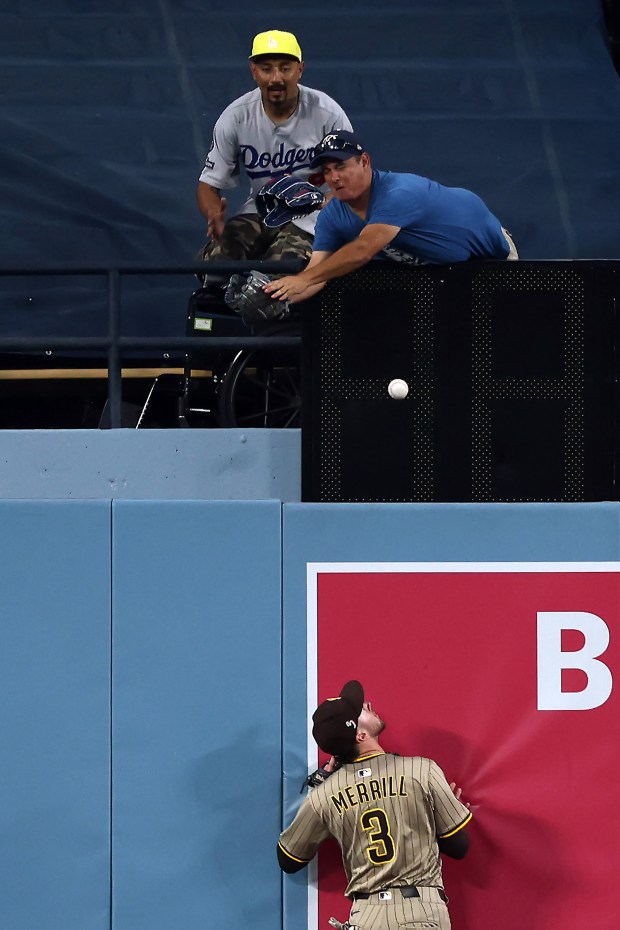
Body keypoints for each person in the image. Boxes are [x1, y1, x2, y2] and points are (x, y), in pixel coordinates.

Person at [277, 680, 472, 930]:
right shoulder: (422, 770)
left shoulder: (323, 796)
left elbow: (288, 860)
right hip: (420, 912)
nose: (368, 705)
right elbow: (459, 847)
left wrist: (324, 795)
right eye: (361, 711)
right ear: (360, 735)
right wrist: (437, 813)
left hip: (367, 917)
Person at [264, 130, 518, 304]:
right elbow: (316, 274)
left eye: (341, 166)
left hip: (491, 258)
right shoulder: (333, 216)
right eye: (327, 171)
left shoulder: (398, 193)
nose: (334, 177)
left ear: (364, 161)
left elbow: (363, 249)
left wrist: (304, 279)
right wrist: (274, 296)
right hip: (436, 272)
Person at [197, 31, 352, 267]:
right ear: (253, 71)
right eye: (266, 69)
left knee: (282, 267)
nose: (276, 78)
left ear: (300, 69)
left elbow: (354, 174)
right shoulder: (236, 117)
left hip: (314, 213)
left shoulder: (327, 113)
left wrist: (333, 201)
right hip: (260, 210)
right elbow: (208, 184)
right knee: (217, 264)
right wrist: (213, 213)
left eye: (285, 68)